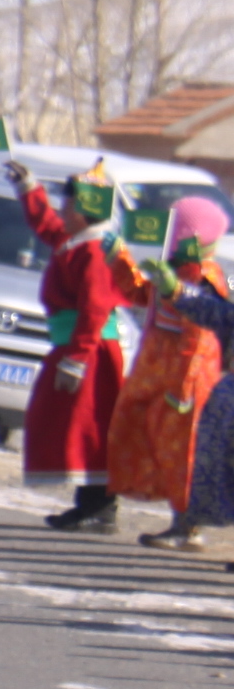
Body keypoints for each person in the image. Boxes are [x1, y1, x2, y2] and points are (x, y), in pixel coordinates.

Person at [7, 158, 138, 532]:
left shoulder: (96, 252)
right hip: (74, 347)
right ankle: (92, 503)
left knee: (91, 426)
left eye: (69, 203)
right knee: (70, 424)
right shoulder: (74, 241)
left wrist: (78, 359)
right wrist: (29, 189)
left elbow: (96, 309)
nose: (63, 208)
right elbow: (47, 226)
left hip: (91, 351)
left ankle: (100, 505)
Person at [118, 197, 232, 549]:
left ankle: (188, 526)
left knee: (188, 455)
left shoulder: (204, 275)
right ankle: (183, 522)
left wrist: (184, 386)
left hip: (189, 380)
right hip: (165, 376)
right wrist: (121, 261)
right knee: (170, 452)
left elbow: (200, 337)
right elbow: (145, 297)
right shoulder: (177, 271)